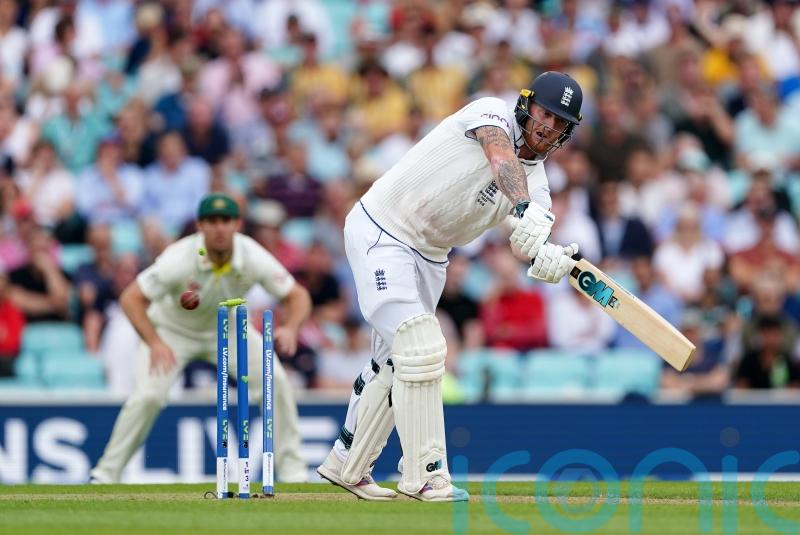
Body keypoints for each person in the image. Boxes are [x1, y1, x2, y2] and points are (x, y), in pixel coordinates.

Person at [317, 71, 583, 501]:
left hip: (432, 257)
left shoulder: (541, 185)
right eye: (543, 114)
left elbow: (525, 243)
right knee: (422, 347)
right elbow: (500, 157)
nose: (547, 126)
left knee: (395, 362)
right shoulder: (490, 114)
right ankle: (425, 475)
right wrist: (523, 207)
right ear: (526, 105)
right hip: (383, 230)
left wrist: (545, 255)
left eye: (559, 122)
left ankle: (347, 465)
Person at [90, 193, 312, 483]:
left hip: (229, 329)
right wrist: (155, 342)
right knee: (148, 397)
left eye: (225, 221)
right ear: (200, 226)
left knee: (276, 384)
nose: (219, 228)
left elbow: (298, 296)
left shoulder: (252, 255)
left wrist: (291, 327)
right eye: (212, 221)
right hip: (171, 332)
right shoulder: (179, 259)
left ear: (237, 224)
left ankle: (294, 472)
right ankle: (106, 474)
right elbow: (131, 298)